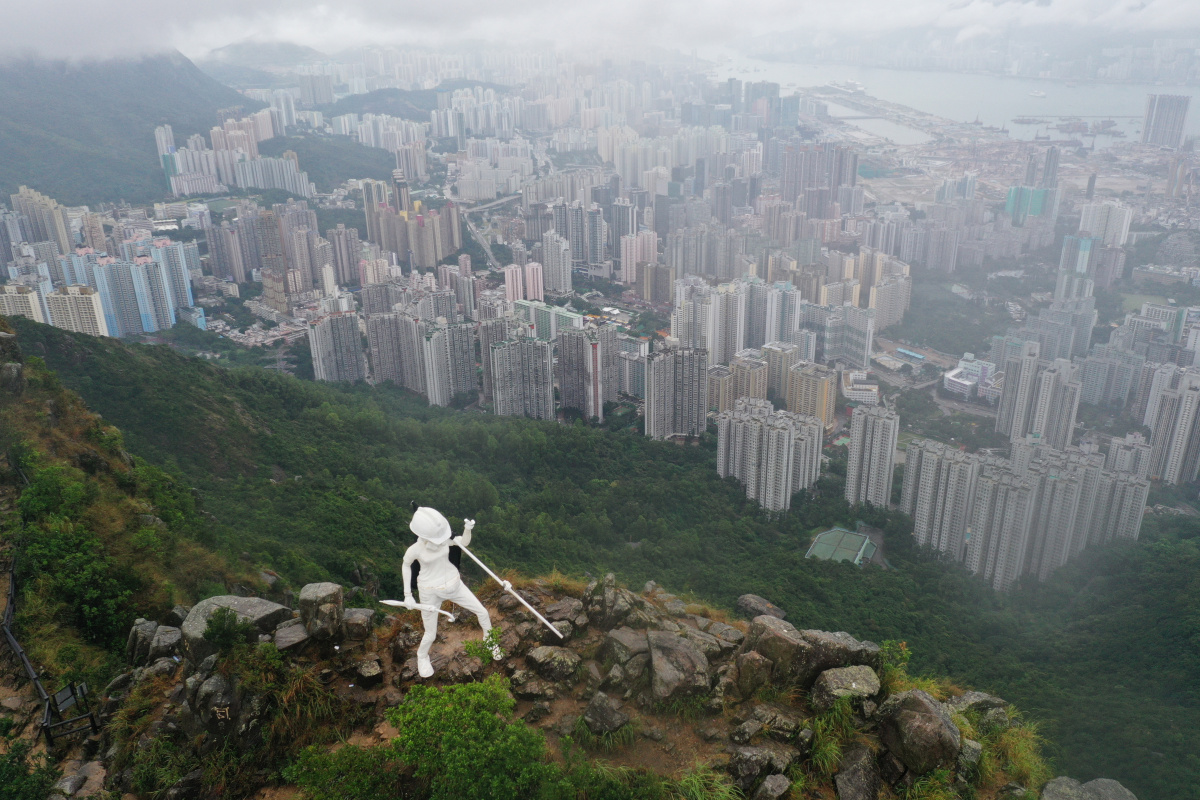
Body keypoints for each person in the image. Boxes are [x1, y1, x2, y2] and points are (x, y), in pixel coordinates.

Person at [402, 506, 507, 678]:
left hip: (454, 585)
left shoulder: (444, 540)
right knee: (430, 633)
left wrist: (467, 529)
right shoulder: (416, 549)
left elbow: (463, 543)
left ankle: (489, 641)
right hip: (429, 591)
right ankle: (422, 656)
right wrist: (408, 595)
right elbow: (406, 565)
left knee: (482, 612)